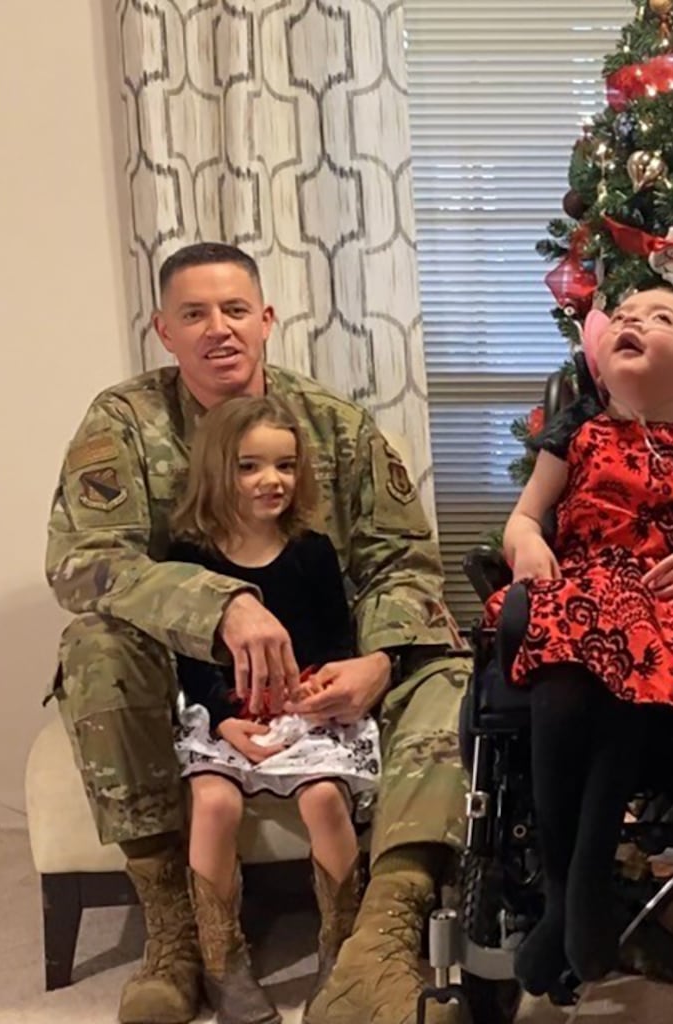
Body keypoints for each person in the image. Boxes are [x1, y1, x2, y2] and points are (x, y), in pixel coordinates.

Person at [46, 243, 469, 1024]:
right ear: (163, 331)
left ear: (266, 319)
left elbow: (402, 561)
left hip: (322, 666)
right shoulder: (126, 422)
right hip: (189, 677)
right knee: (93, 647)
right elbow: (84, 562)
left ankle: (378, 939)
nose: (219, 330)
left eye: (235, 310)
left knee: (449, 671)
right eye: (194, 314)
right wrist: (221, 605)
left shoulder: (331, 426)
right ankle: (178, 938)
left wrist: (376, 660)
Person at [492, 287, 673, 997]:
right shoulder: (577, 430)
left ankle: (575, 894)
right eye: (621, 315)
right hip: (581, 589)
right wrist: (528, 545)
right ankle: (572, 893)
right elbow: (524, 518)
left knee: (628, 672)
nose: (631, 322)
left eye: (661, 318)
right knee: (561, 683)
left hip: (668, 596)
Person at [166, 395, 377, 1024]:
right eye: (249, 467)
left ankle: (339, 950)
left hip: (302, 712)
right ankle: (222, 962)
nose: (272, 481)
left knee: (321, 799)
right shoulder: (189, 557)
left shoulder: (311, 550)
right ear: (214, 471)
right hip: (222, 712)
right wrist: (225, 718)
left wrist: (312, 698)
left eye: (285, 465)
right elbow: (186, 657)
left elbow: (337, 642)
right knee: (213, 801)